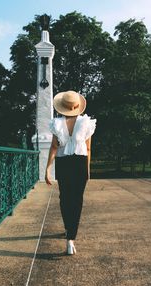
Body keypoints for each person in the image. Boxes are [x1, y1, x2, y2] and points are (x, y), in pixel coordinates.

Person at [45, 90, 96, 255]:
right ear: (77, 106)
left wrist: (47, 169)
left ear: (63, 107)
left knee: (65, 198)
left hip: (63, 164)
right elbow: (88, 149)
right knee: (77, 200)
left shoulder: (57, 123)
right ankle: (71, 239)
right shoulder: (86, 122)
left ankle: (68, 228)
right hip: (80, 163)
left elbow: (53, 147)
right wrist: (87, 171)